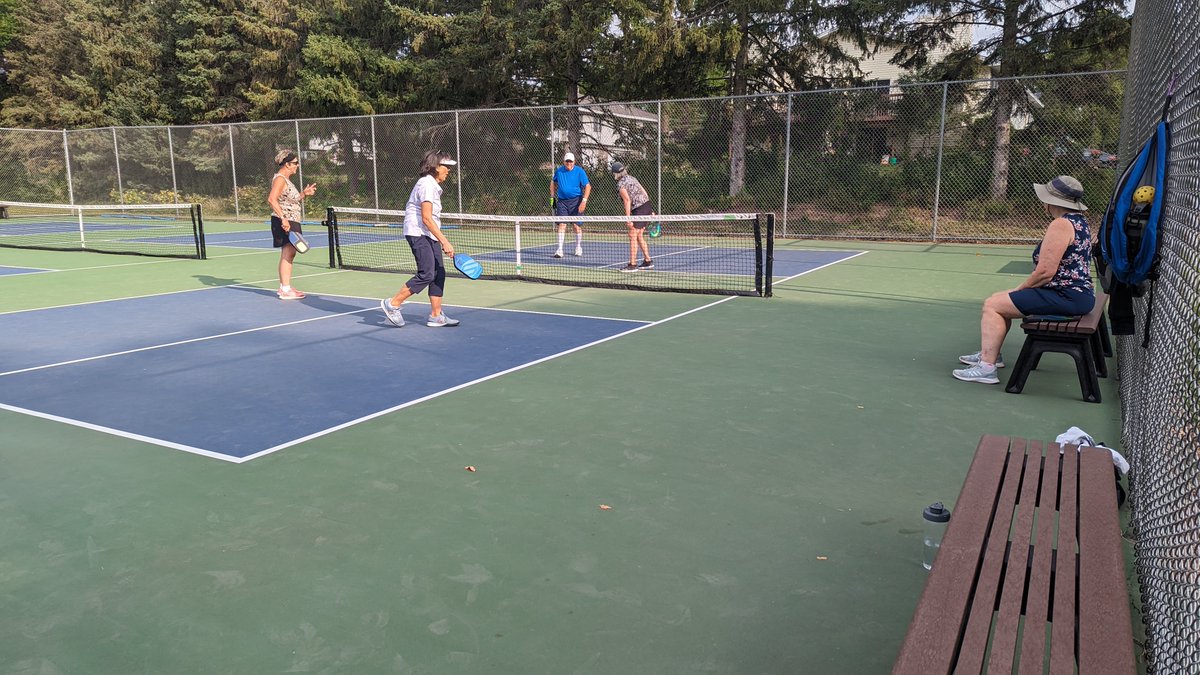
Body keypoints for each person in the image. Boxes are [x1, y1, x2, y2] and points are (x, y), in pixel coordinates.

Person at [953, 175, 1096, 384]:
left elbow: (1045, 271)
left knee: (993, 305)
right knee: (998, 298)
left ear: (1051, 201)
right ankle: (991, 353)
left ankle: (986, 368)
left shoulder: (1061, 224)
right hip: (1076, 294)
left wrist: (1019, 289)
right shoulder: (1079, 221)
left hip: (1066, 296)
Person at [379, 150, 461, 328]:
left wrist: (438, 239)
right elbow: (426, 218)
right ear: (435, 167)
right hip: (418, 232)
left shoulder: (433, 185)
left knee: (439, 272)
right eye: (446, 166)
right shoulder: (426, 185)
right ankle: (392, 304)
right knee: (427, 273)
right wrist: (445, 241)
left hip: (429, 233)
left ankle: (436, 316)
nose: (448, 170)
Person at [268, 149, 316, 299]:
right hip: (285, 221)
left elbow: (289, 200)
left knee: (290, 253)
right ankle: (285, 289)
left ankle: (285, 287)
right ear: (287, 164)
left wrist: (303, 194)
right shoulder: (280, 179)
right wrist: (283, 219)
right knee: (288, 252)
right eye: (295, 163)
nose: (297, 165)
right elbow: (271, 199)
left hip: (291, 220)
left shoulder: (286, 180)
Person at [610, 161, 654, 272]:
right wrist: (649, 210)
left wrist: (628, 218)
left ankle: (632, 264)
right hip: (646, 205)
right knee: (639, 235)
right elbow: (644, 192)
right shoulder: (632, 178)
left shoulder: (621, 184)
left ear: (615, 174)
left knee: (632, 234)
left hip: (639, 209)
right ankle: (647, 261)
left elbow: (627, 200)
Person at [550, 151, 591, 258]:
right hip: (562, 202)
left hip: (576, 201)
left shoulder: (580, 172)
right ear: (564, 162)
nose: (569, 163)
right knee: (562, 225)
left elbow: (587, 186)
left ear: (574, 162)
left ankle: (578, 247)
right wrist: (552, 199)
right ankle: (559, 250)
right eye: (567, 161)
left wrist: (584, 201)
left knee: (576, 226)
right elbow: (553, 183)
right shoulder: (559, 171)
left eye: (571, 161)